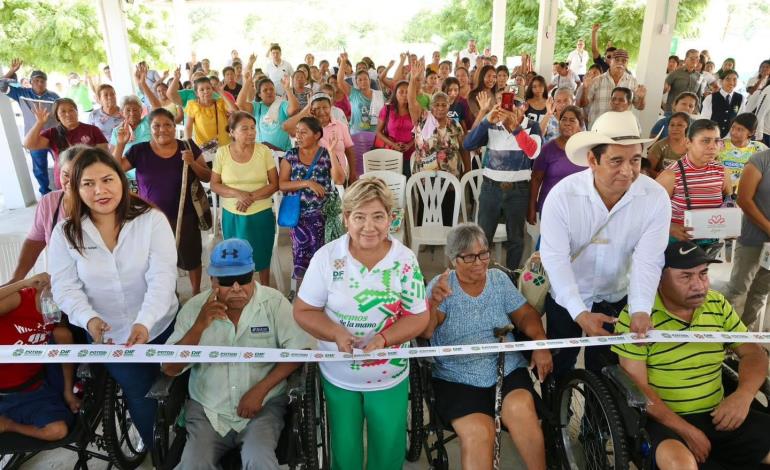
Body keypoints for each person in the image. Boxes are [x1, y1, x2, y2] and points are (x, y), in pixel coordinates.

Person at [293, 177, 429, 470]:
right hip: (338, 374)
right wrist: (336, 332)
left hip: (389, 375)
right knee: (345, 451)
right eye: (360, 217)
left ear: (391, 219)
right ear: (346, 219)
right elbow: (304, 310)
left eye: (378, 216)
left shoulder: (404, 261)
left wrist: (384, 339)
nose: (369, 227)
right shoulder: (327, 258)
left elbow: (419, 316)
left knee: (388, 449)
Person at [48, 147, 179, 449]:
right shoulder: (65, 234)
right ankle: (162, 455)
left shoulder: (151, 221)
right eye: (88, 184)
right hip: (112, 338)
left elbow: (162, 277)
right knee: (139, 393)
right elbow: (65, 287)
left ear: (122, 180)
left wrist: (145, 322)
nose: (100, 191)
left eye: (107, 180)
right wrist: (89, 320)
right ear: (76, 189)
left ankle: (188, 441)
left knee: (178, 386)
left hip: (163, 326)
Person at [613, 241, 770, 470]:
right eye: (686, 277)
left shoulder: (717, 304)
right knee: (681, 465)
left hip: (719, 413)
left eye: (703, 274)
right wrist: (685, 430)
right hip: (663, 418)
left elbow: (753, 353)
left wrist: (743, 396)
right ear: (658, 279)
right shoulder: (637, 317)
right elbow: (637, 387)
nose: (699, 285)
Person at [540, 111, 670, 378]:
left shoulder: (654, 197)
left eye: (635, 160)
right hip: (566, 298)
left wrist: (641, 309)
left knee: (606, 376)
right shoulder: (563, 196)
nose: (628, 171)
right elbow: (555, 259)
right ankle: (556, 417)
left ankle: (595, 420)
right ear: (592, 160)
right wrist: (579, 311)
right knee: (560, 369)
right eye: (616, 161)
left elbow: (649, 259)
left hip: (615, 296)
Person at [162, 239, 311, 470]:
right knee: (192, 465)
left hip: (263, 408)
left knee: (260, 460)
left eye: (243, 279)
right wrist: (199, 327)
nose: (236, 288)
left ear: (252, 275)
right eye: (225, 281)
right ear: (212, 281)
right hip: (208, 410)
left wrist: (260, 391)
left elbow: (300, 352)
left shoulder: (274, 304)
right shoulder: (193, 309)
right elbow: (169, 368)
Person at [421, 223, 551, 470]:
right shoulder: (442, 286)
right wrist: (434, 303)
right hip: (456, 376)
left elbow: (525, 316)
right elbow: (426, 331)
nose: (479, 262)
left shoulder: (498, 280)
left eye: (483, 254)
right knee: (480, 432)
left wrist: (540, 343)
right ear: (453, 259)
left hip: (506, 369)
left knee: (522, 410)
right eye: (469, 257)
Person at [117, 108, 210, 295]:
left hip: (186, 216)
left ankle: (195, 293)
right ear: (149, 128)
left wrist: (192, 163)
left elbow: (207, 177)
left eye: (167, 125)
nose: (162, 129)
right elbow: (114, 170)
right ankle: (170, 296)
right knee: (160, 261)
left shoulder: (188, 146)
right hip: (152, 218)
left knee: (191, 258)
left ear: (174, 127)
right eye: (156, 126)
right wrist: (120, 144)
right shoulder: (139, 150)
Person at [463, 100, 542, 270]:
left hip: (519, 190)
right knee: (483, 238)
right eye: (504, 104)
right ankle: (482, 275)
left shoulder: (533, 126)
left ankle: (511, 276)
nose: (508, 109)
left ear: (524, 108)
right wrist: (485, 120)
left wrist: (516, 128)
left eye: (514, 105)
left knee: (516, 239)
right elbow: (468, 144)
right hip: (491, 188)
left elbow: (533, 152)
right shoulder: (492, 124)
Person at [0, 274, 78, 441]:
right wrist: (23, 282)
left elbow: (65, 345)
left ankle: (8, 425)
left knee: (58, 430)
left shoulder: (57, 317)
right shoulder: (21, 299)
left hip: (32, 392)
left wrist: (68, 392)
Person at [211, 112, 278, 287]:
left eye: (253, 128)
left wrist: (250, 197)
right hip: (232, 215)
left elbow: (274, 184)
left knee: (262, 256)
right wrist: (237, 194)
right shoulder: (222, 153)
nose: (251, 132)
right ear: (232, 132)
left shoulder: (263, 151)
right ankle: (238, 289)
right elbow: (215, 185)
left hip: (261, 213)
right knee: (236, 256)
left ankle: (265, 288)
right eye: (245, 129)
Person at [3, 145, 86, 286]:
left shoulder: (102, 203)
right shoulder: (49, 202)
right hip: (62, 283)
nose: (70, 181)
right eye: (65, 174)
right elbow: (34, 241)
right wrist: (17, 280)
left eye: (78, 175)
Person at [279, 117, 345, 286]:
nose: (298, 136)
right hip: (299, 217)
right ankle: (303, 292)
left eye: (303, 132)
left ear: (316, 135)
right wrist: (307, 182)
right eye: (297, 132)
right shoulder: (291, 155)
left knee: (325, 258)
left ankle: (325, 292)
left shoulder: (325, 154)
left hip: (324, 217)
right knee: (301, 258)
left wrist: (331, 151)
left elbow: (339, 180)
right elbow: (282, 184)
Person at [657, 119, 732, 244]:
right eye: (705, 141)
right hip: (677, 244)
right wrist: (670, 227)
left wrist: (730, 225)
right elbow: (647, 210)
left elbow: (729, 203)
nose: (713, 146)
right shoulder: (672, 175)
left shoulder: (722, 172)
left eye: (717, 141)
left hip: (708, 244)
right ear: (688, 142)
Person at [724, 148, 770, 330]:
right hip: (753, 237)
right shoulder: (761, 160)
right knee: (738, 289)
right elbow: (744, 199)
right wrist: (768, 228)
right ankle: (725, 336)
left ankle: (745, 335)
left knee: (761, 291)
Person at [2, 62, 60, 195]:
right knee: (39, 168)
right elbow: (1, 85)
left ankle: (64, 189)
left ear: (46, 83)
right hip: (34, 138)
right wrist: (12, 70)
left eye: (42, 81)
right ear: (31, 82)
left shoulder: (54, 96)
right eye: (36, 81)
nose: (40, 83)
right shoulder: (21, 93)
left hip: (54, 136)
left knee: (61, 162)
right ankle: (46, 193)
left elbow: (61, 113)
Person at [24, 98, 108, 190]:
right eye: (63, 112)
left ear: (77, 111)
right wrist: (39, 123)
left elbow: (104, 155)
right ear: (57, 116)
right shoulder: (52, 133)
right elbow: (28, 144)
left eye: (71, 110)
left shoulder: (92, 130)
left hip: (89, 179)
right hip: (65, 181)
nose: (68, 114)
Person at [408, 62, 470, 178]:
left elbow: (463, 148)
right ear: (431, 106)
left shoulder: (454, 125)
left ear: (449, 105)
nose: (440, 108)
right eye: (436, 105)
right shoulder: (423, 119)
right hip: (425, 181)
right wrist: (412, 79)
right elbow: (412, 102)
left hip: (451, 180)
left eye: (444, 105)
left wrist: (467, 171)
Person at [528, 105, 585, 225]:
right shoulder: (547, 149)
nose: (567, 123)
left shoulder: (586, 151)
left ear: (580, 126)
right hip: (551, 207)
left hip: (580, 209)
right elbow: (536, 179)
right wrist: (532, 207)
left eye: (572, 120)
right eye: (563, 119)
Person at [284, 93, 358, 182]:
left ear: (330, 107)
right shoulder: (305, 127)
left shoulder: (341, 126)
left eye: (325, 107)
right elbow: (286, 127)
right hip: (314, 178)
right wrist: (307, 108)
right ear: (311, 110)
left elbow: (349, 151)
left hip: (339, 177)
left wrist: (353, 174)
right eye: (317, 108)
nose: (322, 112)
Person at [337, 52, 385, 174]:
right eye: (360, 79)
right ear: (356, 82)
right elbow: (340, 81)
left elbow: (383, 115)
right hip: (357, 134)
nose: (363, 81)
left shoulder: (378, 95)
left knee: (374, 165)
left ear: (370, 80)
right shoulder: (353, 93)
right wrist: (343, 62)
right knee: (358, 165)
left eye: (365, 79)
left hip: (375, 135)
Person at [579, 49, 646, 127]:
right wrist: (585, 89)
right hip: (598, 128)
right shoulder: (597, 80)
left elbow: (639, 107)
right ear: (610, 61)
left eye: (624, 61)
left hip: (621, 129)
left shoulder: (633, 81)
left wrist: (641, 98)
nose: (620, 63)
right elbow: (582, 104)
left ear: (627, 64)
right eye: (617, 60)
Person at [236, 73, 299, 152]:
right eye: (265, 90)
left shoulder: (282, 104)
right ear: (259, 94)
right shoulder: (257, 107)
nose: (269, 92)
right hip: (262, 154)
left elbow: (295, 108)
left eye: (271, 89)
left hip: (283, 153)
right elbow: (240, 104)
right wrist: (247, 83)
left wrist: (287, 88)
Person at [184, 76, 239, 158]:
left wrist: (221, 92)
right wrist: (188, 144)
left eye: (208, 88)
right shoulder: (192, 105)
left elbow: (235, 111)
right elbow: (188, 127)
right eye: (201, 90)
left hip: (225, 146)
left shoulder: (220, 103)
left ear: (212, 89)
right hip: (205, 149)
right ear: (196, 93)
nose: (206, 91)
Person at [373, 80, 417, 177]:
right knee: (391, 181)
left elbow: (420, 131)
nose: (405, 95)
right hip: (390, 151)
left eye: (408, 92)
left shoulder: (415, 110)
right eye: (401, 92)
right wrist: (393, 145)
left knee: (408, 180)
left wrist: (409, 145)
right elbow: (378, 132)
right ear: (395, 93)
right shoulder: (387, 109)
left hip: (410, 153)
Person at [718, 113, 768, 193]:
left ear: (751, 133)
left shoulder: (759, 149)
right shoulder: (719, 145)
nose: (734, 132)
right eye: (733, 127)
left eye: (740, 129)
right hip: (721, 192)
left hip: (748, 195)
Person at [700, 70, 745, 137]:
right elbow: (704, 120)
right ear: (721, 81)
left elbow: (740, 119)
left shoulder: (741, 98)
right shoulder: (710, 98)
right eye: (728, 79)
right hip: (712, 135)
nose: (731, 82)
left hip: (730, 137)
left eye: (734, 79)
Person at [647, 112, 690, 177]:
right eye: (672, 125)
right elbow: (647, 170)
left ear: (687, 127)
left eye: (680, 125)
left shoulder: (692, 146)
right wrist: (659, 175)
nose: (675, 128)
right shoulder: (659, 146)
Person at [664, 49, 703, 114]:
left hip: (689, 112)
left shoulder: (699, 76)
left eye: (697, 58)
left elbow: (698, 96)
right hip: (672, 111)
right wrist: (665, 88)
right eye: (692, 58)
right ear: (685, 59)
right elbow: (663, 90)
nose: (695, 61)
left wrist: (697, 110)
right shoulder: (674, 73)